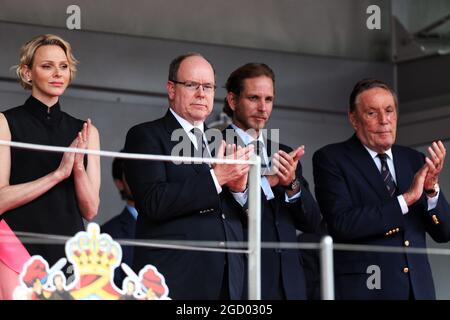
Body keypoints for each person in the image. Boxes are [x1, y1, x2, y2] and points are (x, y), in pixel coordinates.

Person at [124, 53, 251, 300]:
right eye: (192, 85)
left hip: (227, 280)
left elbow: (237, 217)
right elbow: (153, 202)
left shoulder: (223, 142)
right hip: (173, 278)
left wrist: (238, 190)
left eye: (208, 87)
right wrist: (216, 179)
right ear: (171, 89)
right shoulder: (146, 135)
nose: (201, 93)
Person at [313, 78, 450, 300]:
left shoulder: (414, 159)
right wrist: (405, 200)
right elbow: (342, 224)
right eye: (371, 113)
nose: (384, 120)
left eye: (389, 111)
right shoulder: (331, 159)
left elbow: (445, 233)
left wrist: (431, 192)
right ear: (354, 119)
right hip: (366, 289)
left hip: (418, 291)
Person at [0, 34, 101, 300]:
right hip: (17, 252)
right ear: (27, 72)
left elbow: (90, 210)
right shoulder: (5, 123)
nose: (58, 73)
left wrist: (77, 170)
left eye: (64, 66)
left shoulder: (86, 132)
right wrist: (57, 174)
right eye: (47, 66)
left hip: (70, 256)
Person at [222, 63, 322, 299]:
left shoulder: (283, 152)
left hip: (290, 283)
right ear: (232, 101)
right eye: (254, 98)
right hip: (243, 280)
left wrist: (291, 184)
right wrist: (269, 183)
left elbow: (312, 222)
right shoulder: (215, 146)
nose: (262, 107)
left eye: (268, 99)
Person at [101, 154, 137, 287]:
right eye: (133, 174)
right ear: (119, 183)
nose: (142, 179)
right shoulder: (107, 235)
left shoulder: (175, 224)